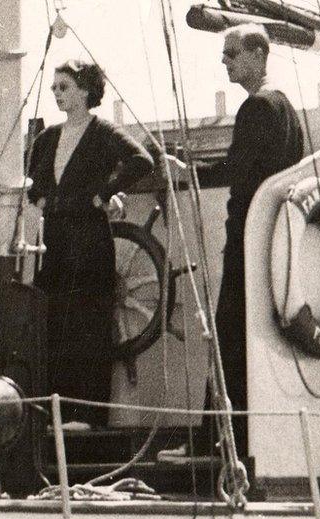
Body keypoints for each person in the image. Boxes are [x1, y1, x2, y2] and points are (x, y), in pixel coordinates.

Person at [173, 24, 303, 458]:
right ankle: (244, 443)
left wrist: (185, 171)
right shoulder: (285, 108)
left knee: (229, 338)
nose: (223, 62)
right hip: (275, 242)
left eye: (231, 54)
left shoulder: (256, 109)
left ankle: (215, 445)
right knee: (252, 339)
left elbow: (241, 179)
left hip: (247, 240)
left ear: (257, 54)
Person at [27, 60, 154, 427]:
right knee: (56, 325)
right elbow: (33, 181)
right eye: (54, 87)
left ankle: (88, 414)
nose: (57, 93)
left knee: (90, 325)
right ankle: (59, 413)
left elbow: (141, 160)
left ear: (85, 90)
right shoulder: (47, 138)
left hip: (90, 240)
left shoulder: (103, 133)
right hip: (54, 242)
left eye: (64, 86)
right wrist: (40, 200)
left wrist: (104, 192)